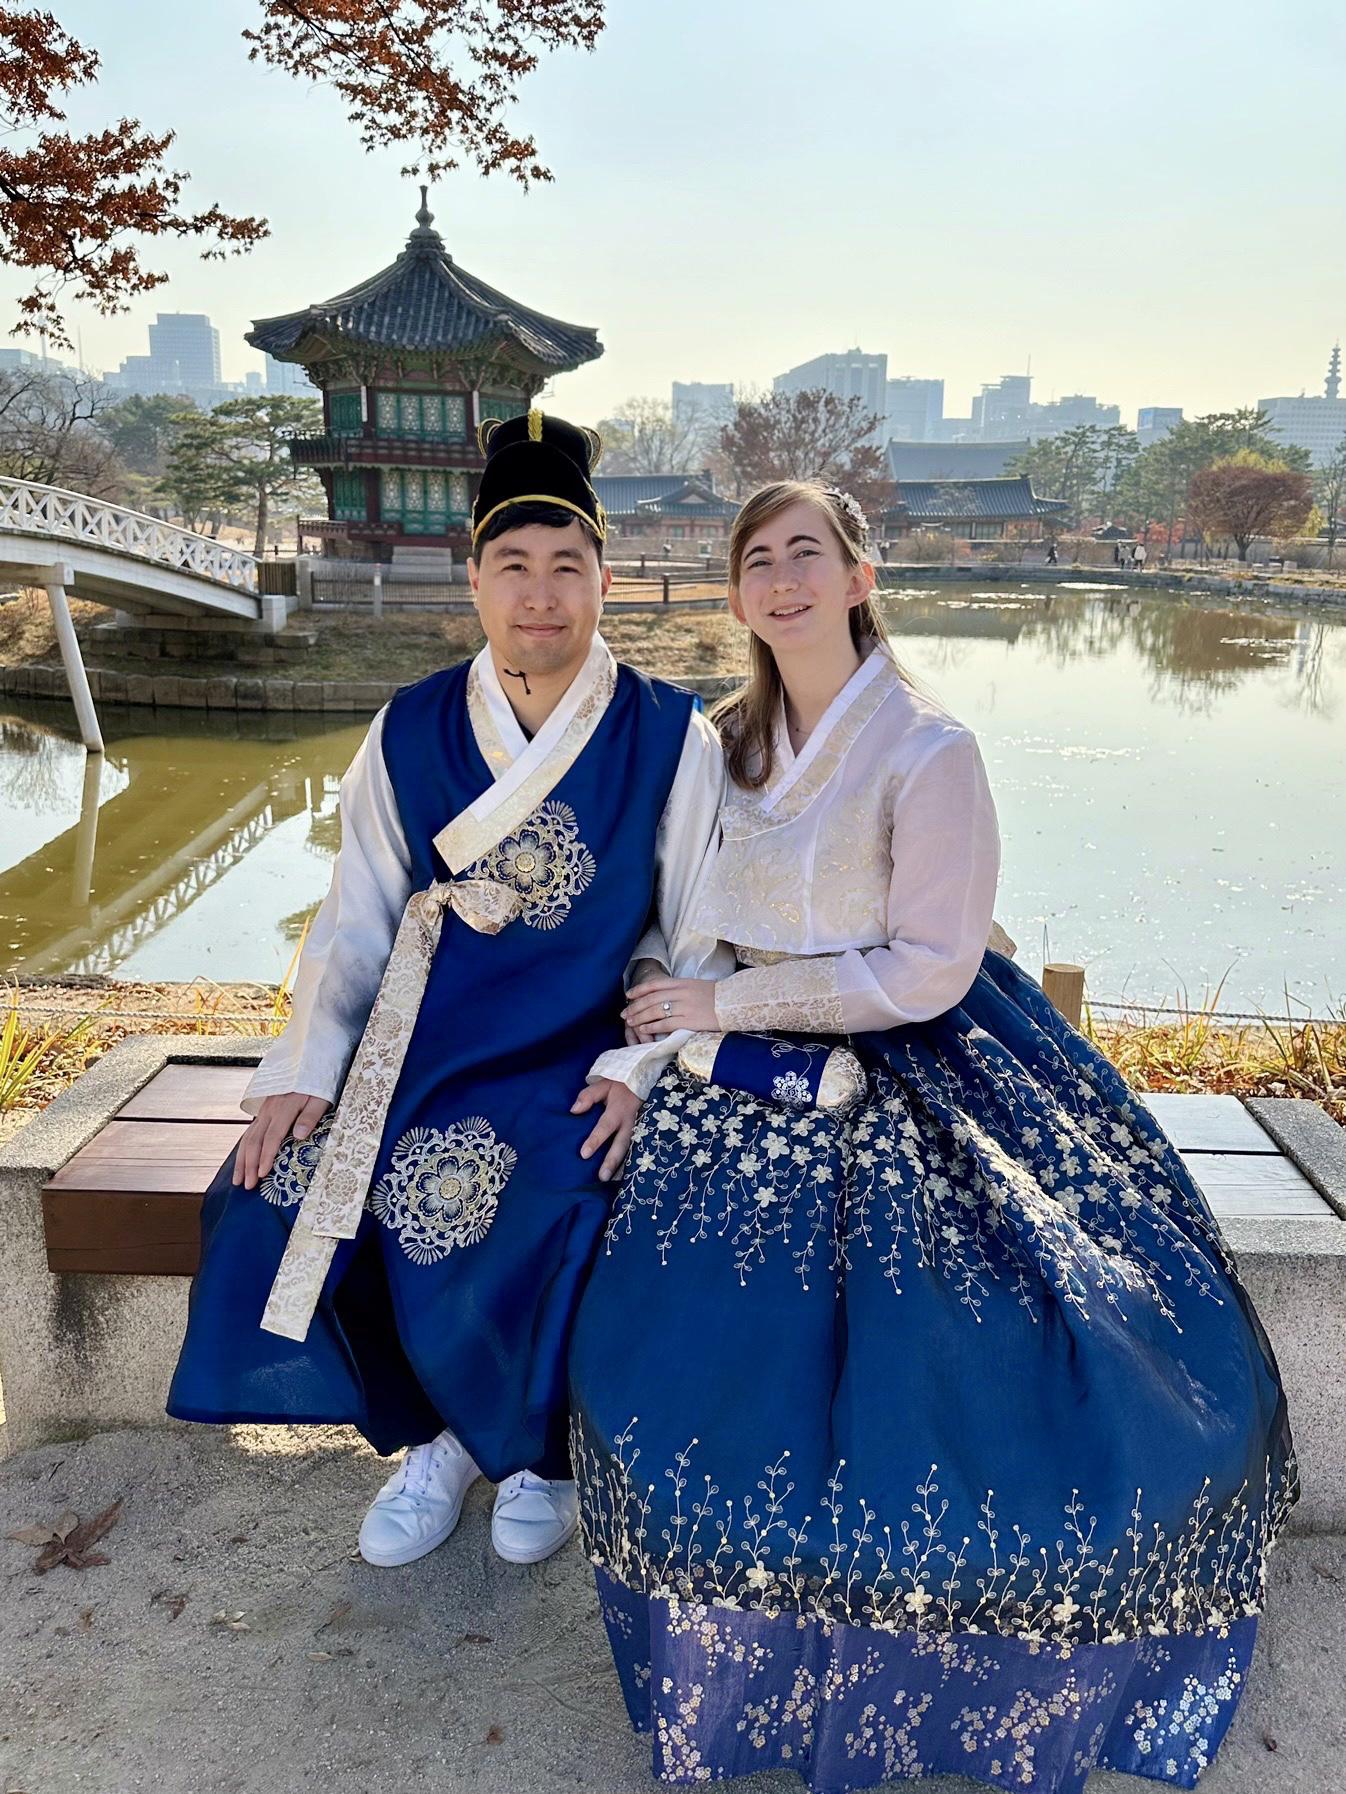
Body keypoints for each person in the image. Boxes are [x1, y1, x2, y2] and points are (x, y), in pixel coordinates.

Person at [568, 479, 1296, 1794]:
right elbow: (676, 923)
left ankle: (958, 1670)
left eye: (808, 553)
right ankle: (734, 1667)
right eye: (757, 560)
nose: (780, 579)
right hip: (739, 1069)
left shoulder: (927, 750)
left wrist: (727, 1002)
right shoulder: (712, 743)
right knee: (677, 1358)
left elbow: (927, 969)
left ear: (858, 575)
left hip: (922, 1060)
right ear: (735, 592)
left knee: (988, 1357)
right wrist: (658, 1036)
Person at [168, 411, 726, 1570]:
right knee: (270, 1187)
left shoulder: (670, 734)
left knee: (529, 1188)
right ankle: (432, 1437)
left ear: (604, 583)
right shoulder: (410, 725)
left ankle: (531, 1451)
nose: (540, 596)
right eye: (512, 568)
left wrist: (634, 1068)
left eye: (566, 569)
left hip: (570, 1043)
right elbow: (356, 913)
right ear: (471, 578)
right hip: (418, 1042)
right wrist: (306, 1070)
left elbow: (691, 930)